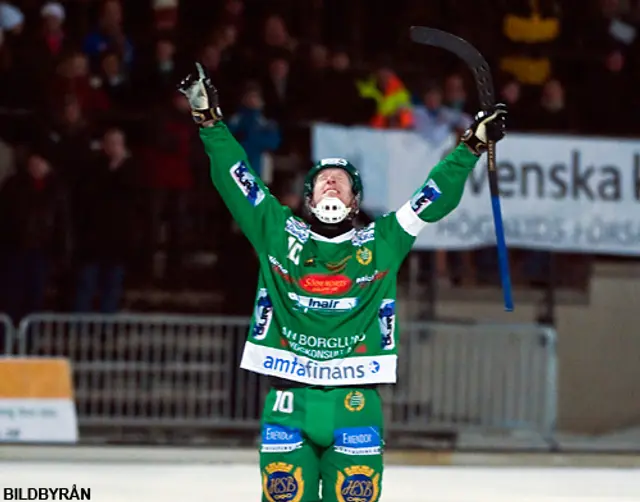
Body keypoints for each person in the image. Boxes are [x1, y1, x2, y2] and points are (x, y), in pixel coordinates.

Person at [178, 62, 507, 502]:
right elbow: (236, 177)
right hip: (287, 403)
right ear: (307, 197)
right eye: (321, 181)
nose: (330, 182)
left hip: (356, 405)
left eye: (342, 182)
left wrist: (469, 147)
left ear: (355, 201)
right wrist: (208, 120)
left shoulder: (385, 240)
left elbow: (433, 195)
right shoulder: (276, 231)